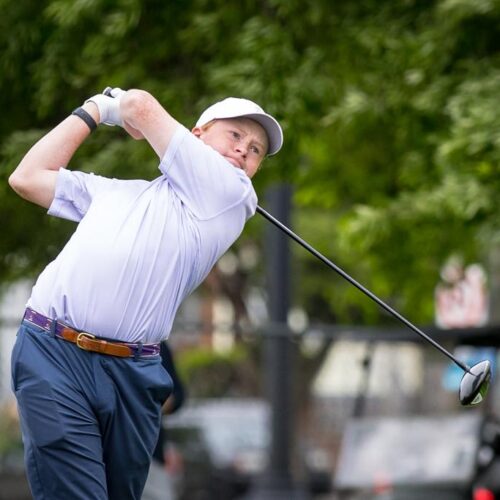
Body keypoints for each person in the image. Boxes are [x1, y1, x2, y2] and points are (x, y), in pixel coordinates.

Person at [8, 87, 283, 500]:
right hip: (53, 352)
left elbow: (139, 105)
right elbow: (26, 178)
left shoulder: (233, 195)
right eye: (235, 136)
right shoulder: (118, 193)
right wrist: (92, 111)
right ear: (196, 136)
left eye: (256, 149)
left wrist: (116, 107)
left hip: (134, 373)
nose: (245, 150)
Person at [142, 342, 186, 500]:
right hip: (104, 456)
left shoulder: (156, 342)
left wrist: (147, 407)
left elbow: (177, 395)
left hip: (152, 455)